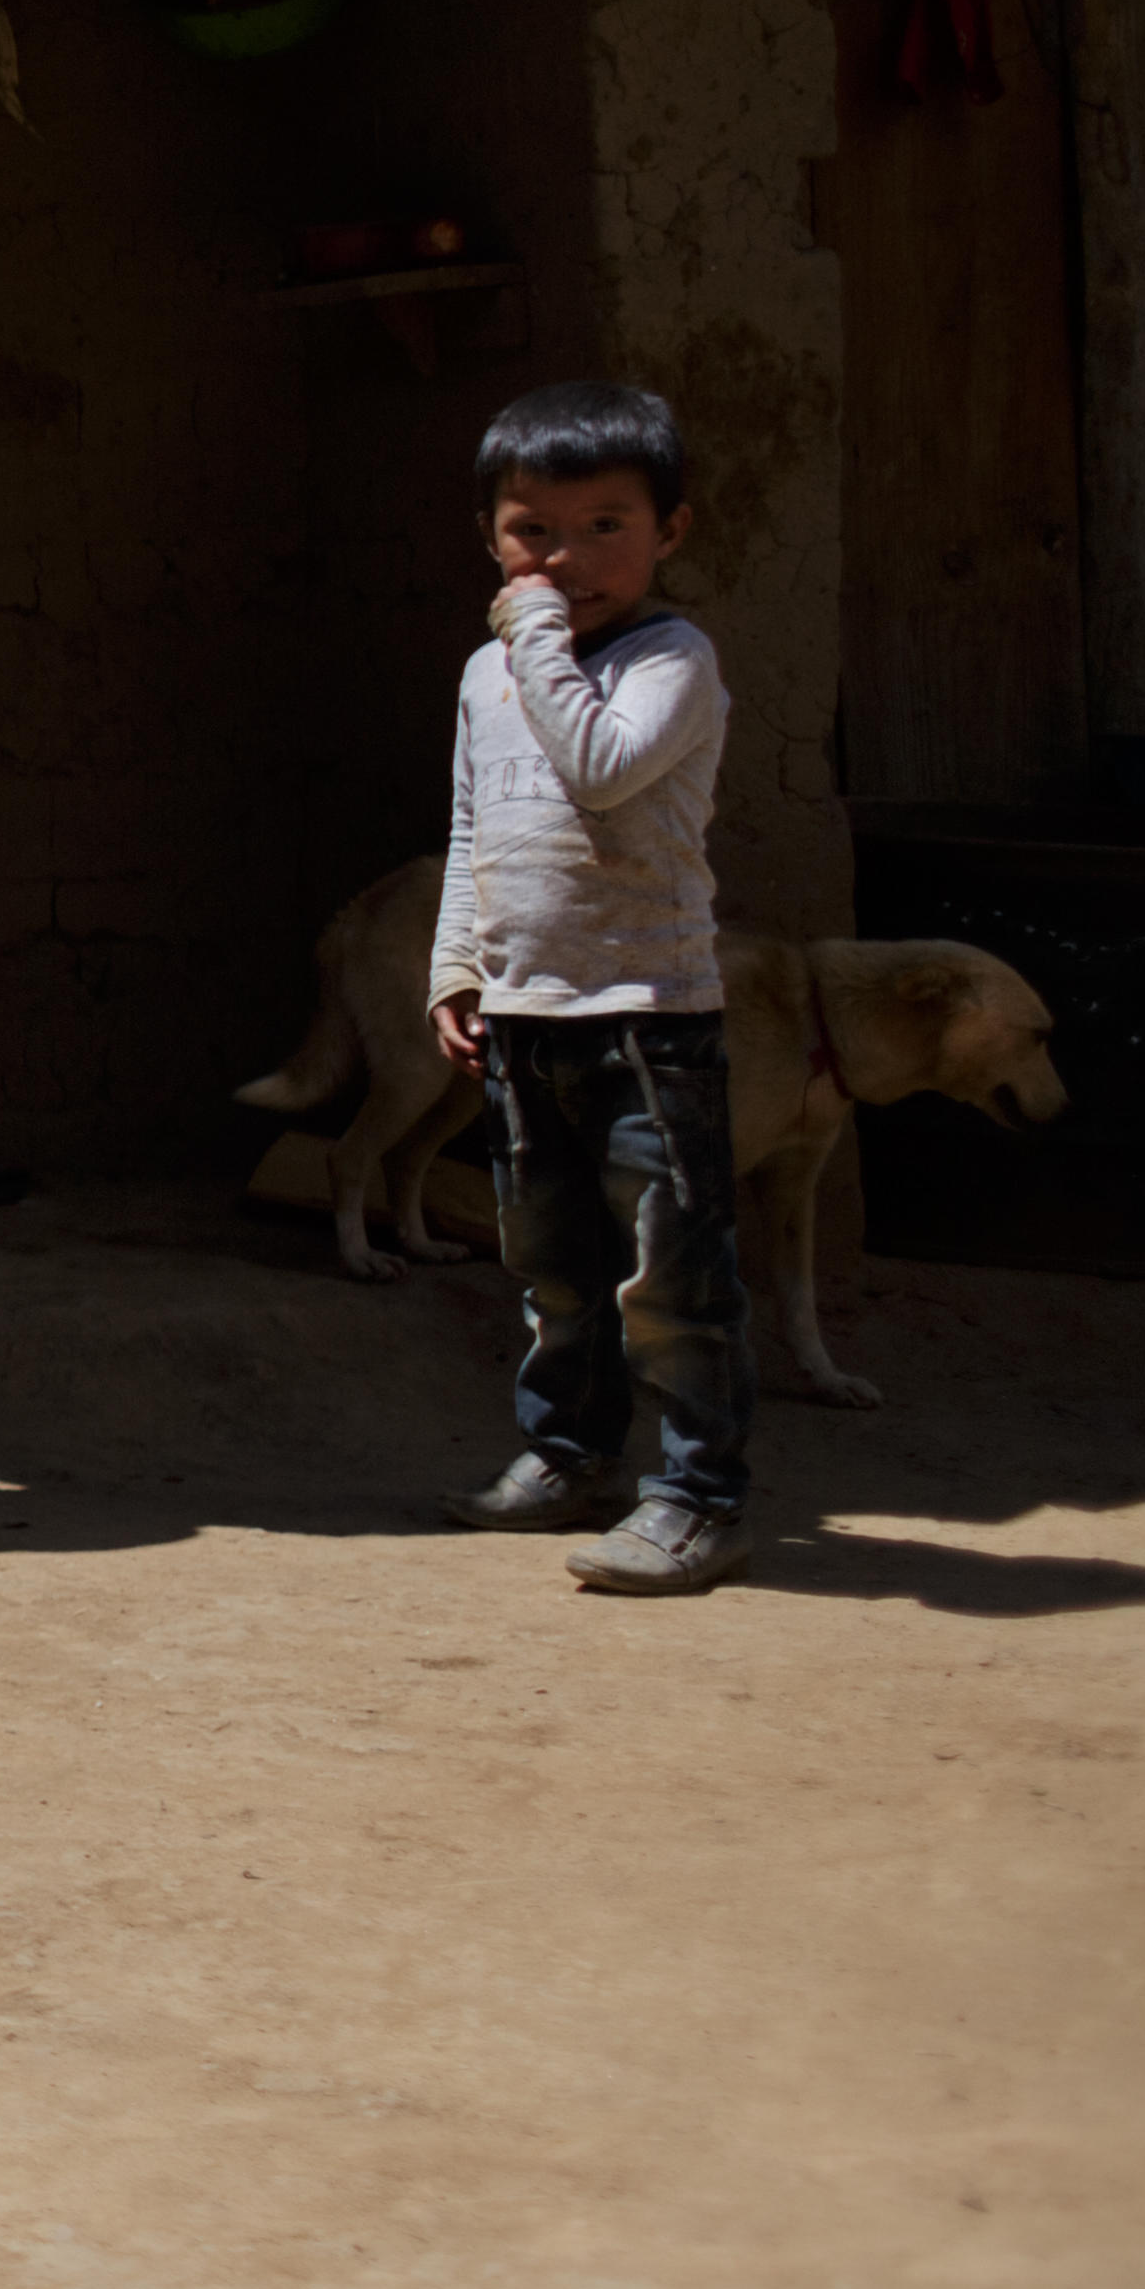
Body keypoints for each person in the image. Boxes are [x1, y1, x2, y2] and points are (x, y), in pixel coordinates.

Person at [425, 382, 747, 1594]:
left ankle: (701, 1499)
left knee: (672, 1274)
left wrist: (539, 639)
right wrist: (458, 963)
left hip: (647, 1020)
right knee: (552, 1266)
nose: (567, 558)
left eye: (606, 525)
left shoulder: (671, 660)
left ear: (673, 530)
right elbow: (471, 830)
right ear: (491, 537)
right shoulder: (486, 674)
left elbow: (603, 773)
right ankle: (571, 1459)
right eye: (533, 532)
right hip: (524, 1018)